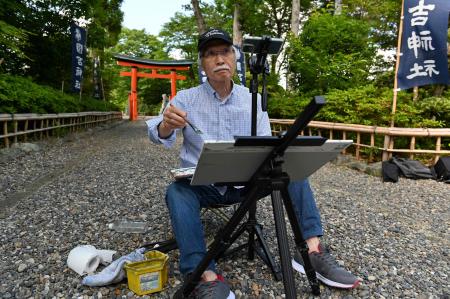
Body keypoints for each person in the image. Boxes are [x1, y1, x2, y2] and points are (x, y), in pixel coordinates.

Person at [146, 28, 360, 299]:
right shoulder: (186, 98)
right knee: (176, 192)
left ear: (235, 57)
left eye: (224, 51)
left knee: (292, 169)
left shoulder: (252, 98)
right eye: (210, 54)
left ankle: (311, 250)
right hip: (203, 184)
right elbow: (157, 134)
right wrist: (165, 125)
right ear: (202, 63)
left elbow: (268, 145)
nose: (219, 59)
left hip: (248, 182)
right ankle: (203, 274)